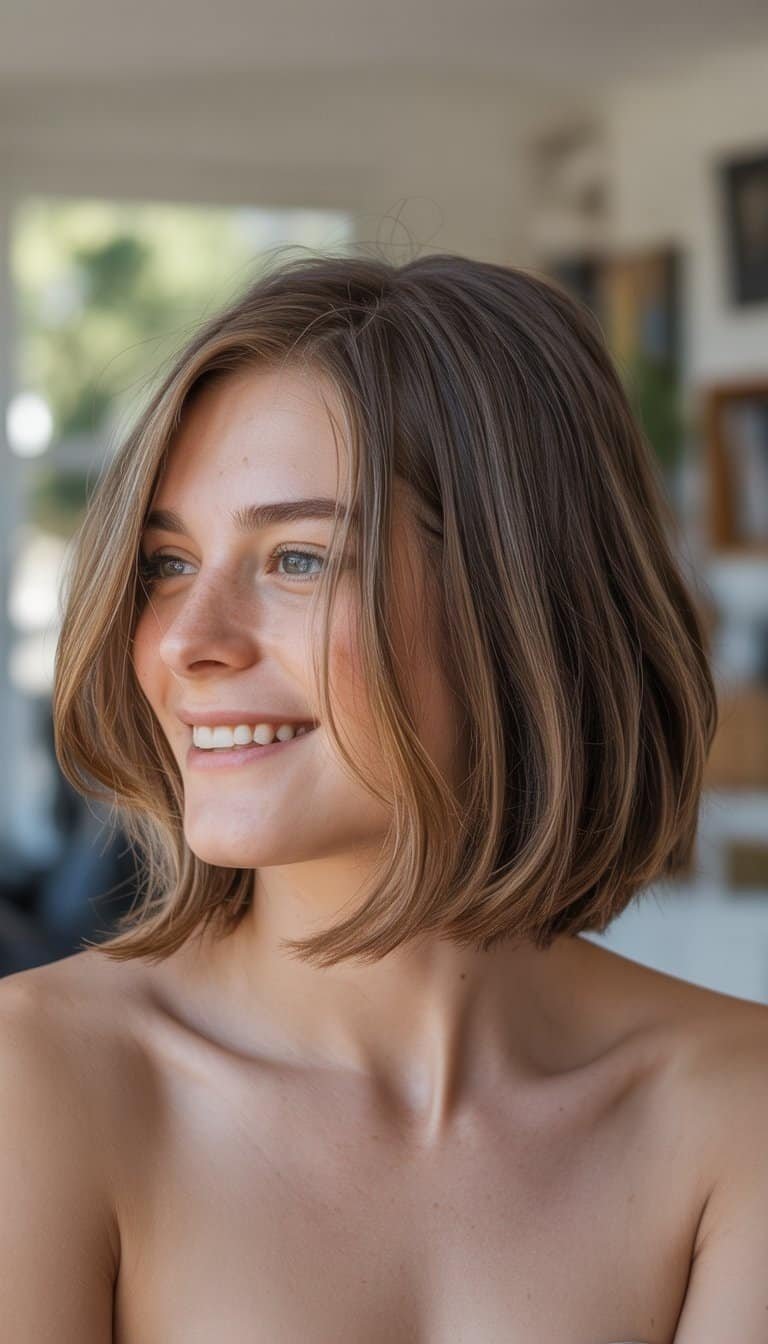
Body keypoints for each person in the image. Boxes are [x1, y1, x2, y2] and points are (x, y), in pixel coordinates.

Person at [1, 249, 766, 1343]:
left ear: (519, 605)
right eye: (166, 566)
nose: (187, 643)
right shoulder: (38, 1081)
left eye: (298, 561)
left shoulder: (740, 1111)